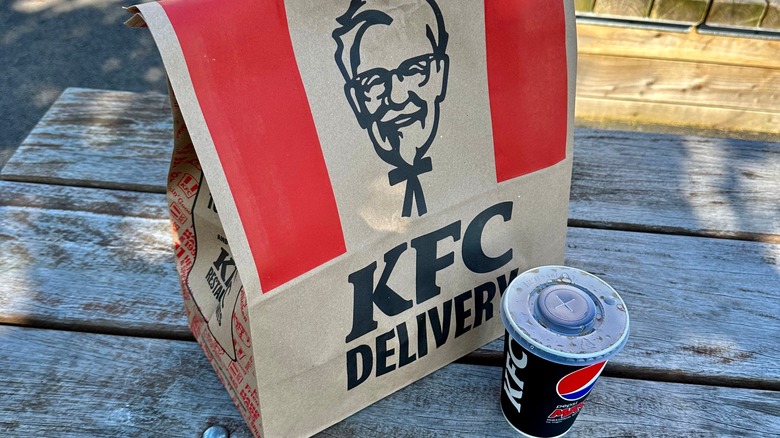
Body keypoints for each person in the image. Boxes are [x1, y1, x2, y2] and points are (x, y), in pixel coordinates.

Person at [333, 0, 449, 217]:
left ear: (440, 74)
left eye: (414, 70)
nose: (397, 98)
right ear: (356, 101)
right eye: (375, 81)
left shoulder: (483, 148)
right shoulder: (344, 198)